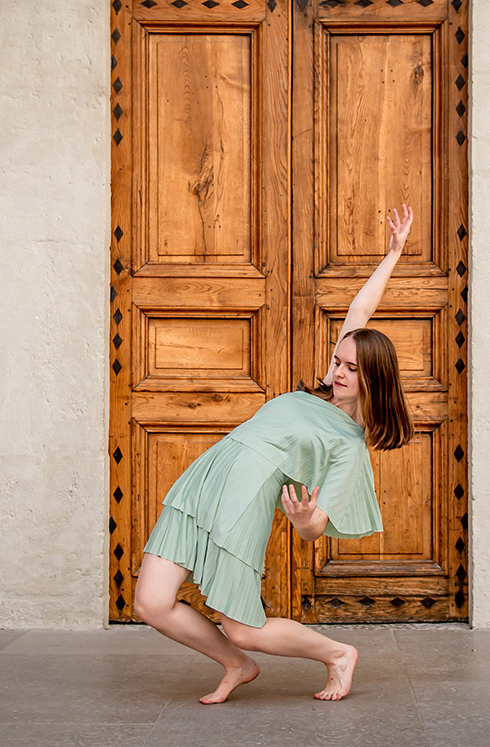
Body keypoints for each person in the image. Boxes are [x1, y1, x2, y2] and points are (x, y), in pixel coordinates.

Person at [133, 205, 415, 704]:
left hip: (242, 505)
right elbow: (358, 314)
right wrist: (393, 254)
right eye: (337, 360)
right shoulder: (321, 393)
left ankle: (336, 653)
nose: (340, 370)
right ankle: (237, 666)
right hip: (202, 484)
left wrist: (304, 517)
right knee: (150, 603)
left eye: (352, 367)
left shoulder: (349, 445)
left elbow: (314, 528)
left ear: (374, 376)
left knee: (242, 626)